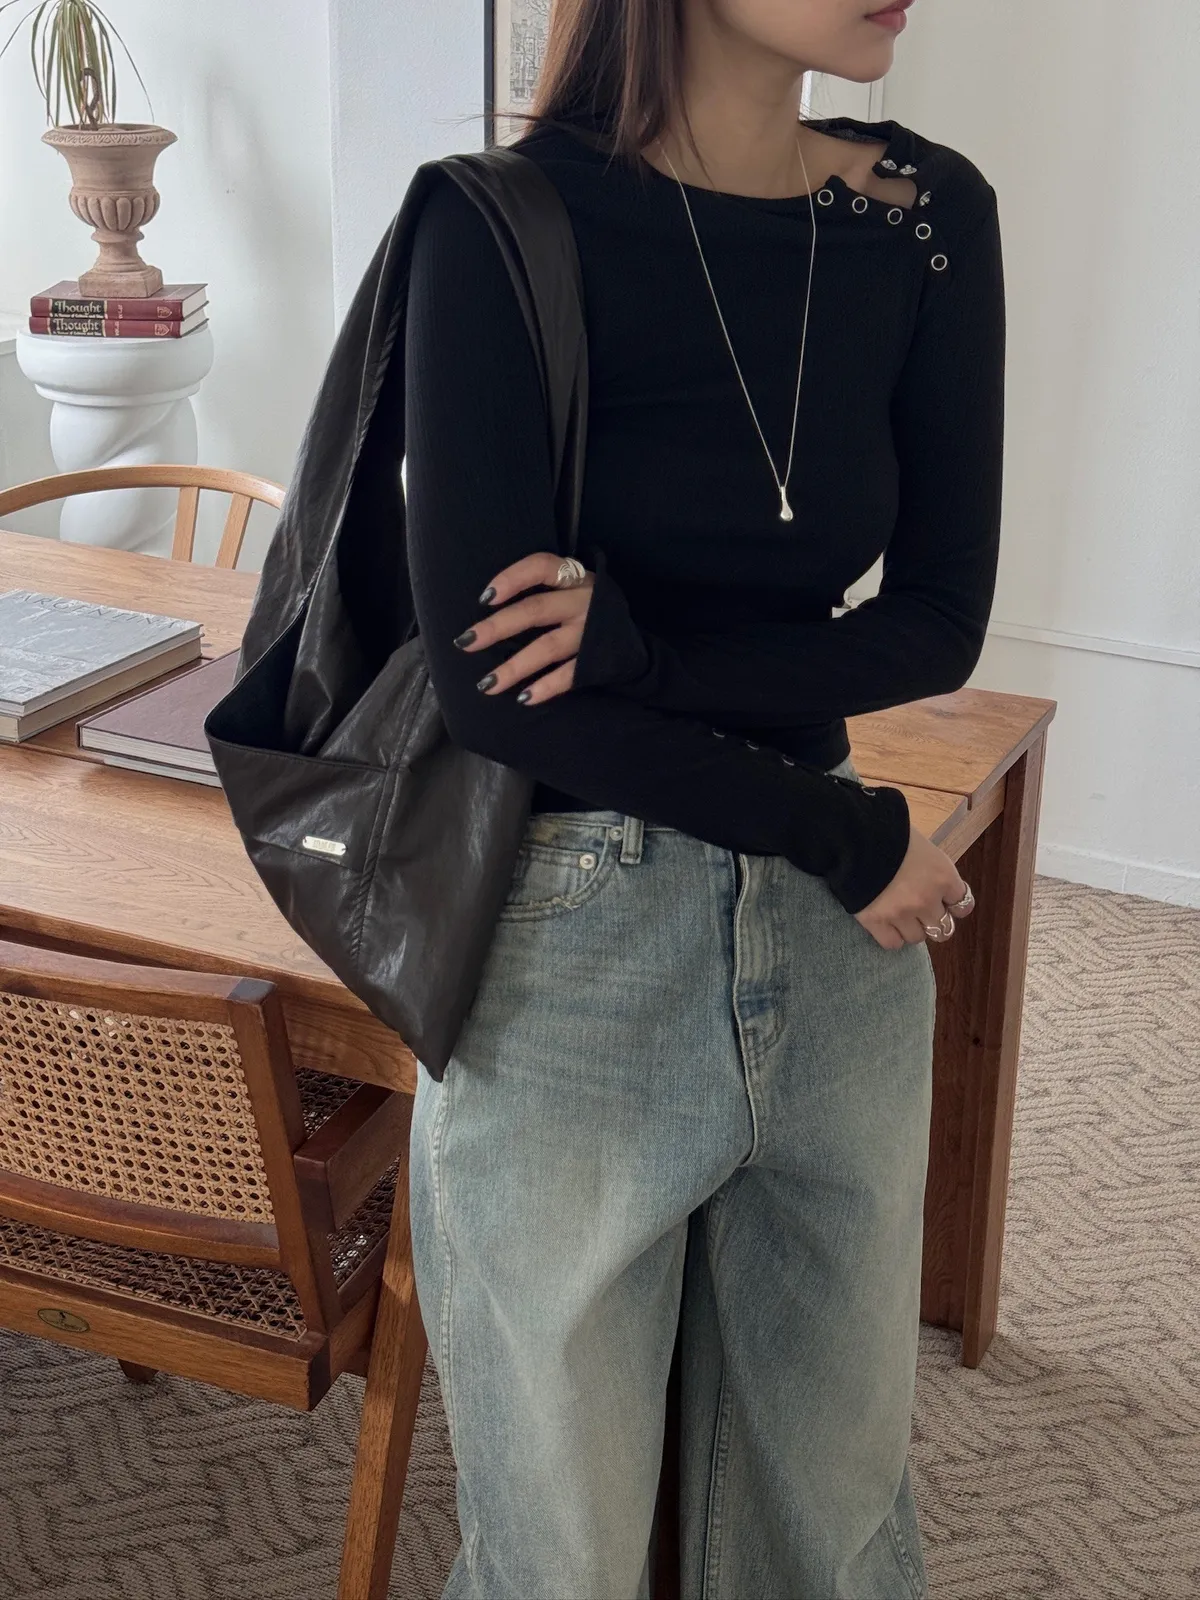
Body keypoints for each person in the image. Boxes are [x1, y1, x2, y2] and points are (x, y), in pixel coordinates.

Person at [402, 0, 1004, 1593]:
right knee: (562, 1558)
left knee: (834, 1529)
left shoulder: (925, 214)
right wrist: (840, 830)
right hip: (576, 942)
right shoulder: (496, 225)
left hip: (841, 944)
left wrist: (644, 656)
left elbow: (938, 620)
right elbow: (491, 690)